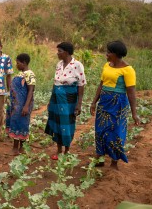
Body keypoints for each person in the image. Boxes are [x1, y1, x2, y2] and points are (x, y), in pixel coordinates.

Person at [90, 40, 140, 169]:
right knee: (100, 130)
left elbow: (131, 92)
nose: (106, 54)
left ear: (116, 54)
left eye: (109, 52)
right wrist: (94, 102)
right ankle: (99, 157)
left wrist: (134, 113)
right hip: (104, 102)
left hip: (118, 104)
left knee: (116, 132)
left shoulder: (128, 70)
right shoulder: (107, 65)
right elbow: (101, 84)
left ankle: (114, 161)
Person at [45, 42, 86, 160]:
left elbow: (81, 85)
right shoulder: (59, 64)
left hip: (69, 99)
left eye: (60, 51)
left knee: (67, 123)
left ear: (67, 52)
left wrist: (79, 104)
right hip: (56, 98)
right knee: (57, 122)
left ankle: (66, 151)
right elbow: (55, 83)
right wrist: (50, 100)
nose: (57, 53)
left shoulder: (77, 65)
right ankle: (59, 150)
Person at [6, 53, 35, 155]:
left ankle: (21, 148)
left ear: (24, 63)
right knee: (15, 123)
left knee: (22, 124)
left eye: (18, 63)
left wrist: (26, 106)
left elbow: (31, 90)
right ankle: (15, 147)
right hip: (16, 105)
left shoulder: (29, 74)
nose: (16, 65)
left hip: (23, 105)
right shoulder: (20, 74)